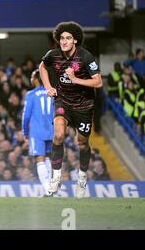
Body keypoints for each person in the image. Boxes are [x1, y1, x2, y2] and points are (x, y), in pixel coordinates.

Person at [39, 21, 102, 198]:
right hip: (63, 102)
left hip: (84, 106)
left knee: (82, 143)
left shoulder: (86, 57)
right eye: (61, 38)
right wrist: (48, 86)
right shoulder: (53, 55)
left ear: (75, 40)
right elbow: (42, 67)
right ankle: (55, 178)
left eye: (68, 38)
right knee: (58, 135)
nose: (64, 41)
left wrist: (76, 80)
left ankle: (82, 178)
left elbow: (98, 81)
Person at [22, 69, 53, 197]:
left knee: (40, 159)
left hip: (37, 132)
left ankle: (48, 189)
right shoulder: (52, 92)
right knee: (48, 159)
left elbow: (26, 116)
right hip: (51, 130)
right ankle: (51, 188)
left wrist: (25, 132)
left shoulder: (31, 94)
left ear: (35, 79)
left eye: (31, 77)